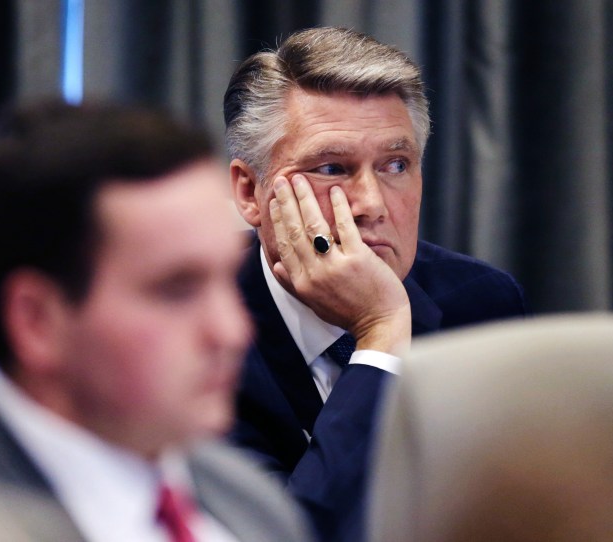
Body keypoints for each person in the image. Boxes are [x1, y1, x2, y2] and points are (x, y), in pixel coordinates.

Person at [222, 26, 528, 541]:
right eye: (332, 168)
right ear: (251, 192)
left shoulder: (481, 302)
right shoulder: (194, 327)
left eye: (396, 165)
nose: (372, 204)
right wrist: (380, 334)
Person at [0, 102, 313, 542]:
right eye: (177, 290)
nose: (232, 332)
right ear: (37, 322)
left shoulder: (249, 499)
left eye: (226, 280)